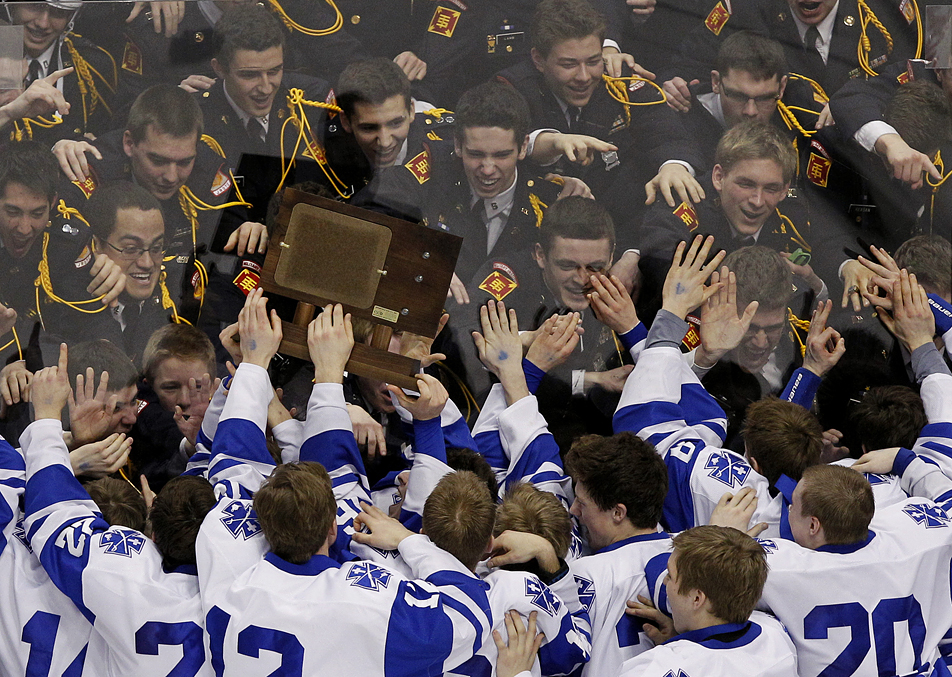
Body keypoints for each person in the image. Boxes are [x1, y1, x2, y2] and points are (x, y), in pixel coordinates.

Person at [194, 292, 494, 676]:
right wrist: (407, 539)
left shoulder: (228, 577)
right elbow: (469, 610)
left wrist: (255, 369)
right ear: (334, 528)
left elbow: (235, 472)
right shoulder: (366, 605)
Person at [22, 342, 217, 676]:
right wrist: (73, 452)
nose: (130, 417)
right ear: (72, 401)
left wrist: (193, 444)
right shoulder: (20, 451)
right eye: (116, 407)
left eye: (134, 403)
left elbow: (166, 487)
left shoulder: (136, 439)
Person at [497, 0, 704, 278]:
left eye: (593, 61)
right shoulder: (511, 91)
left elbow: (667, 135)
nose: (584, 76)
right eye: (569, 64)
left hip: (622, 241)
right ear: (538, 60)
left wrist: (674, 165)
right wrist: (553, 144)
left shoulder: (617, 80)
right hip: (538, 251)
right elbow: (498, 148)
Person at [51, 84, 266, 321]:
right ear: (129, 143)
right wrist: (91, 257)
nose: (171, 176)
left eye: (184, 162)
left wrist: (249, 229)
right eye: (158, 160)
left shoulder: (207, 168)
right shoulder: (94, 165)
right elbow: (59, 227)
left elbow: (232, 232)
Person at [354, 79, 567, 292]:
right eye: (476, 154)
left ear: (522, 148)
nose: (487, 169)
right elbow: (365, 213)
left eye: (502, 155)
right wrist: (420, 256)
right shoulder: (433, 164)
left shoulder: (543, 204)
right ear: (458, 145)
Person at [0, 141, 125, 366]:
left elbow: (91, 317)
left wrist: (109, 358)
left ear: (53, 203)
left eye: (37, 213)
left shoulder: (66, 240)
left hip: (49, 358)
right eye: (13, 212)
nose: (24, 228)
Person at [618, 526, 798, 677]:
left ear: (697, 598)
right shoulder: (778, 637)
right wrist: (680, 641)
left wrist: (676, 650)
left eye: (671, 576)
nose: (665, 582)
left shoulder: (655, 668)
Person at [77, 181, 176, 362]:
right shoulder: (70, 308)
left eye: (156, 248)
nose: (147, 263)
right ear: (96, 245)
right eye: (131, 249)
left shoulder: (176, 302)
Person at [4, 0, 118, 143]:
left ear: (71, 17)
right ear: (11, 6)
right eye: (35, 6)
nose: (43, 23)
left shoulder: (93, 65)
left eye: (58, 12)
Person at [132, 324, 218, 490]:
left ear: (214, 384)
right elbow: (161, 427)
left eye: (198, 386)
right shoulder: (139, 408)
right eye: (171, 388)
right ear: (148, 385)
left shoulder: (228, 401)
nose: (184, 400)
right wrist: (192, 443)